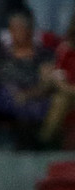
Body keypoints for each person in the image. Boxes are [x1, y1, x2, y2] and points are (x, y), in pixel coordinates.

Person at [0, 7, 57, 149]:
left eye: (21, 27)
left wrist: (28, 94)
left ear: (30, 30)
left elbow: (47, 84)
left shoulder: (44, 54)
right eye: (13, 28)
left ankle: (32, 144)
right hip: (5, 96)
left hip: (34, 97)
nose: (16, 32)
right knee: (8, 94)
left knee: (37, 106)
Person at [40, 11, 75, 146]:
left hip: (69, 91)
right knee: (59, 100)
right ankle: (44, 142)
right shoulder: (65, 49)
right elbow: (58, 79)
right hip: (68, 93)